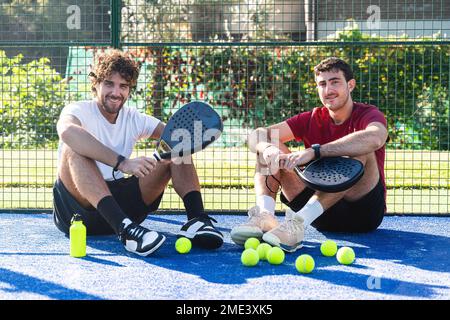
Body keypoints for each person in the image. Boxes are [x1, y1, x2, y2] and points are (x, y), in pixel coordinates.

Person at [53, 49, 223, 257]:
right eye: (109, 83)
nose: (116, 92)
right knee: (73, 148)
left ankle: (197, 219)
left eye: (123, 86)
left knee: (178, 143)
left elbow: (180, 133)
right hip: (79, 212)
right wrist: (123, 163)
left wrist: (192, 138)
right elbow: (68, 132)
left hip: (124, 206)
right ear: (95, 83)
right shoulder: (78, 110)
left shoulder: (133, 118)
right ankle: (126, 230)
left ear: (129, 89)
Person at [231, 57, 388, 252]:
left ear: (351, 85)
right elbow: (256, 135)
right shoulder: (312, 117)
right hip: (320, 214)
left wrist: (315, 151)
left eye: (335, 82)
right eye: (322, 84)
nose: (328, 90)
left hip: (363, 214)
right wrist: (269, 150)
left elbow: (375, 138)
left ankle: (297, 224)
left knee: (361, 149)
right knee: (267, 144)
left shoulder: (368, 114)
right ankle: (265, 217)